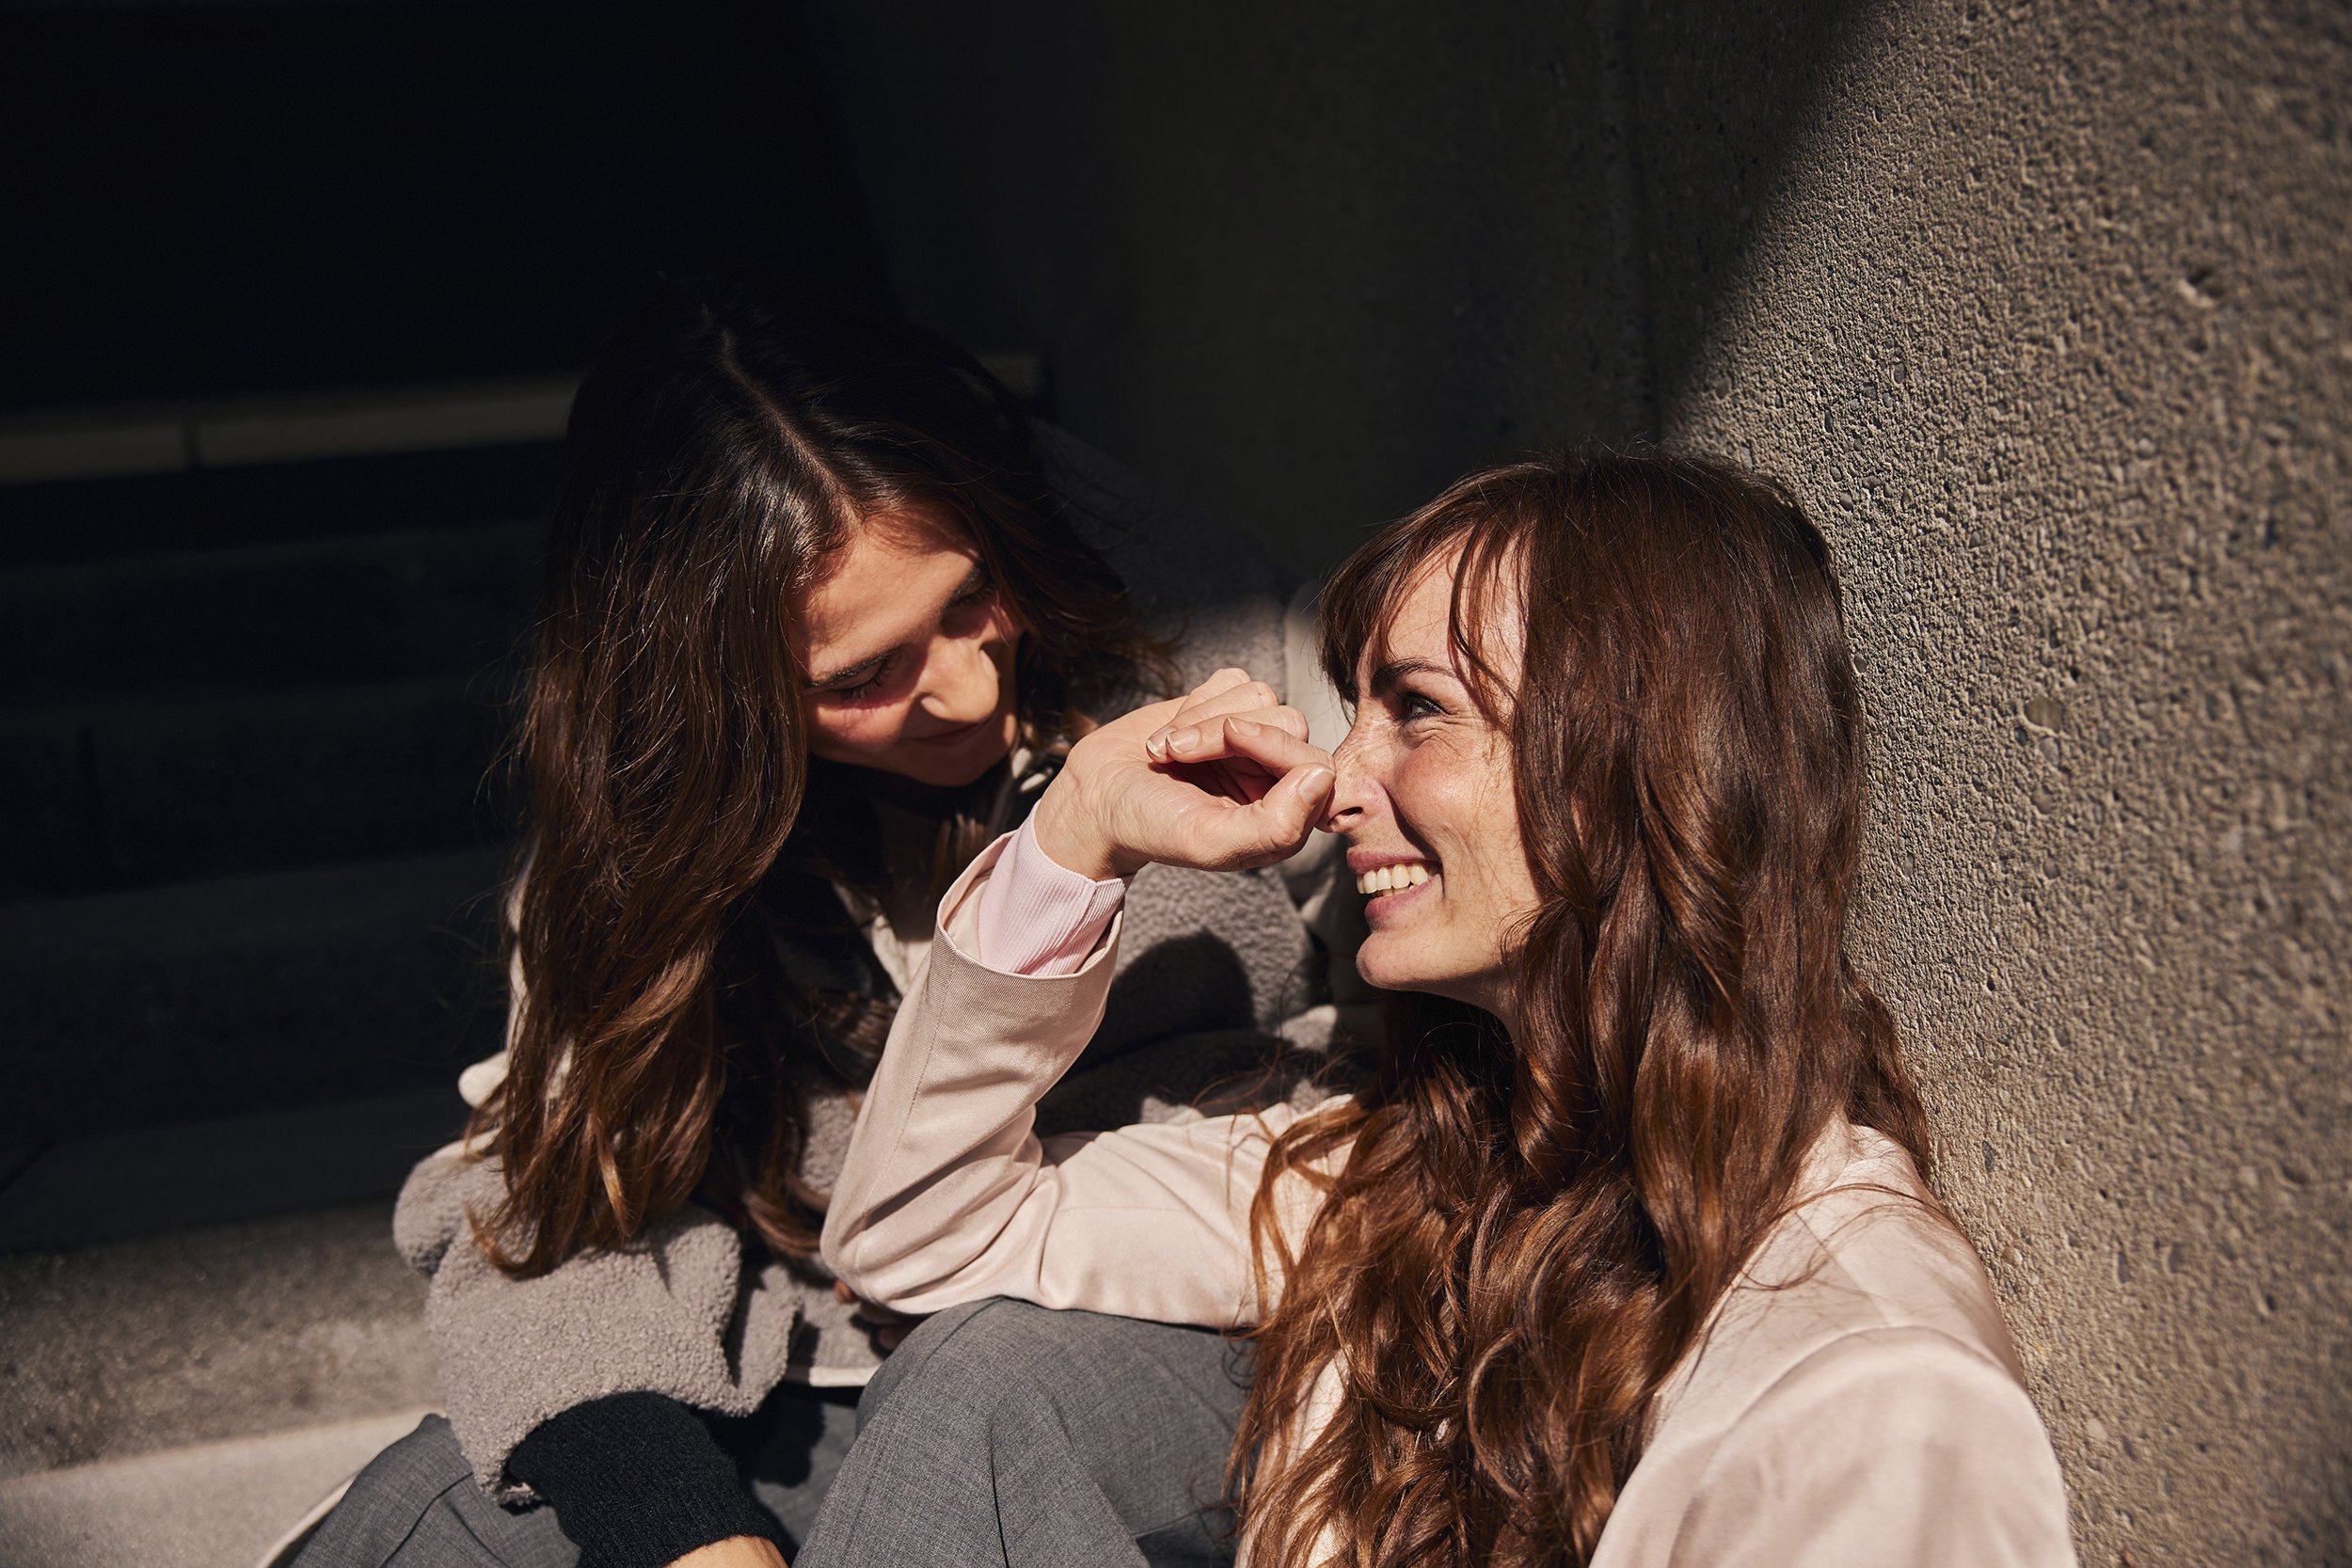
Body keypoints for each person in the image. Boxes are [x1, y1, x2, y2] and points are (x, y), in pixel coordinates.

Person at [803, 451, 2079, 1567]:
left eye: (1417, 708)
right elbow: (921, 1232)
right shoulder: (1398, 1168)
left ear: (1636, 767)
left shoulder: (1866, 1391)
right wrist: (1073, 834)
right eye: (1354, 706)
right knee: (972, 1381)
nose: (1338, 776)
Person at [290, 275, 1358, 1568]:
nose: (966, 687)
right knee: (437, 1518)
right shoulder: (650, 835)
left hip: (1156, 1321)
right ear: (716, 692)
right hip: (811, 1356)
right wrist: (685, 1530)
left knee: (979, 1409)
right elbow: (556, 1184)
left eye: (971, 599)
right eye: (861, 677)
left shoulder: (1209, 653)